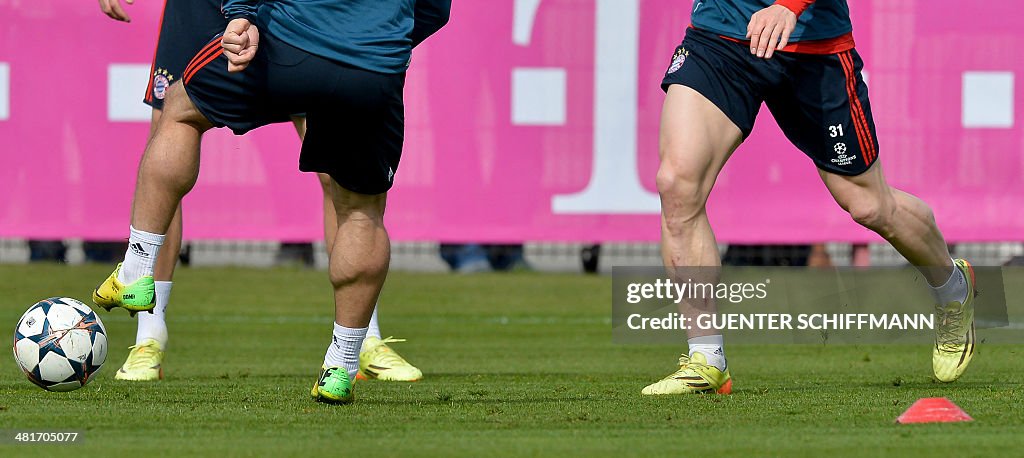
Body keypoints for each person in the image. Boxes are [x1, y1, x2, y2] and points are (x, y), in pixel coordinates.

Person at [93, 0, 447, 400]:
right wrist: (381, 43)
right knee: (359, 202)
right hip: (229, 13)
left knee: (183, 114)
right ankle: (149, 337)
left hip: (285, 26)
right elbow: (435, 10)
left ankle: (367, 340)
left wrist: (242, 12)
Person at [645, 0, 976, 395]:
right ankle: (706, 359)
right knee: (678, 185)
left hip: (813, 48)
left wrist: (790, 5)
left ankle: (953, 287)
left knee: (868, 204)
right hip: (720, 38)